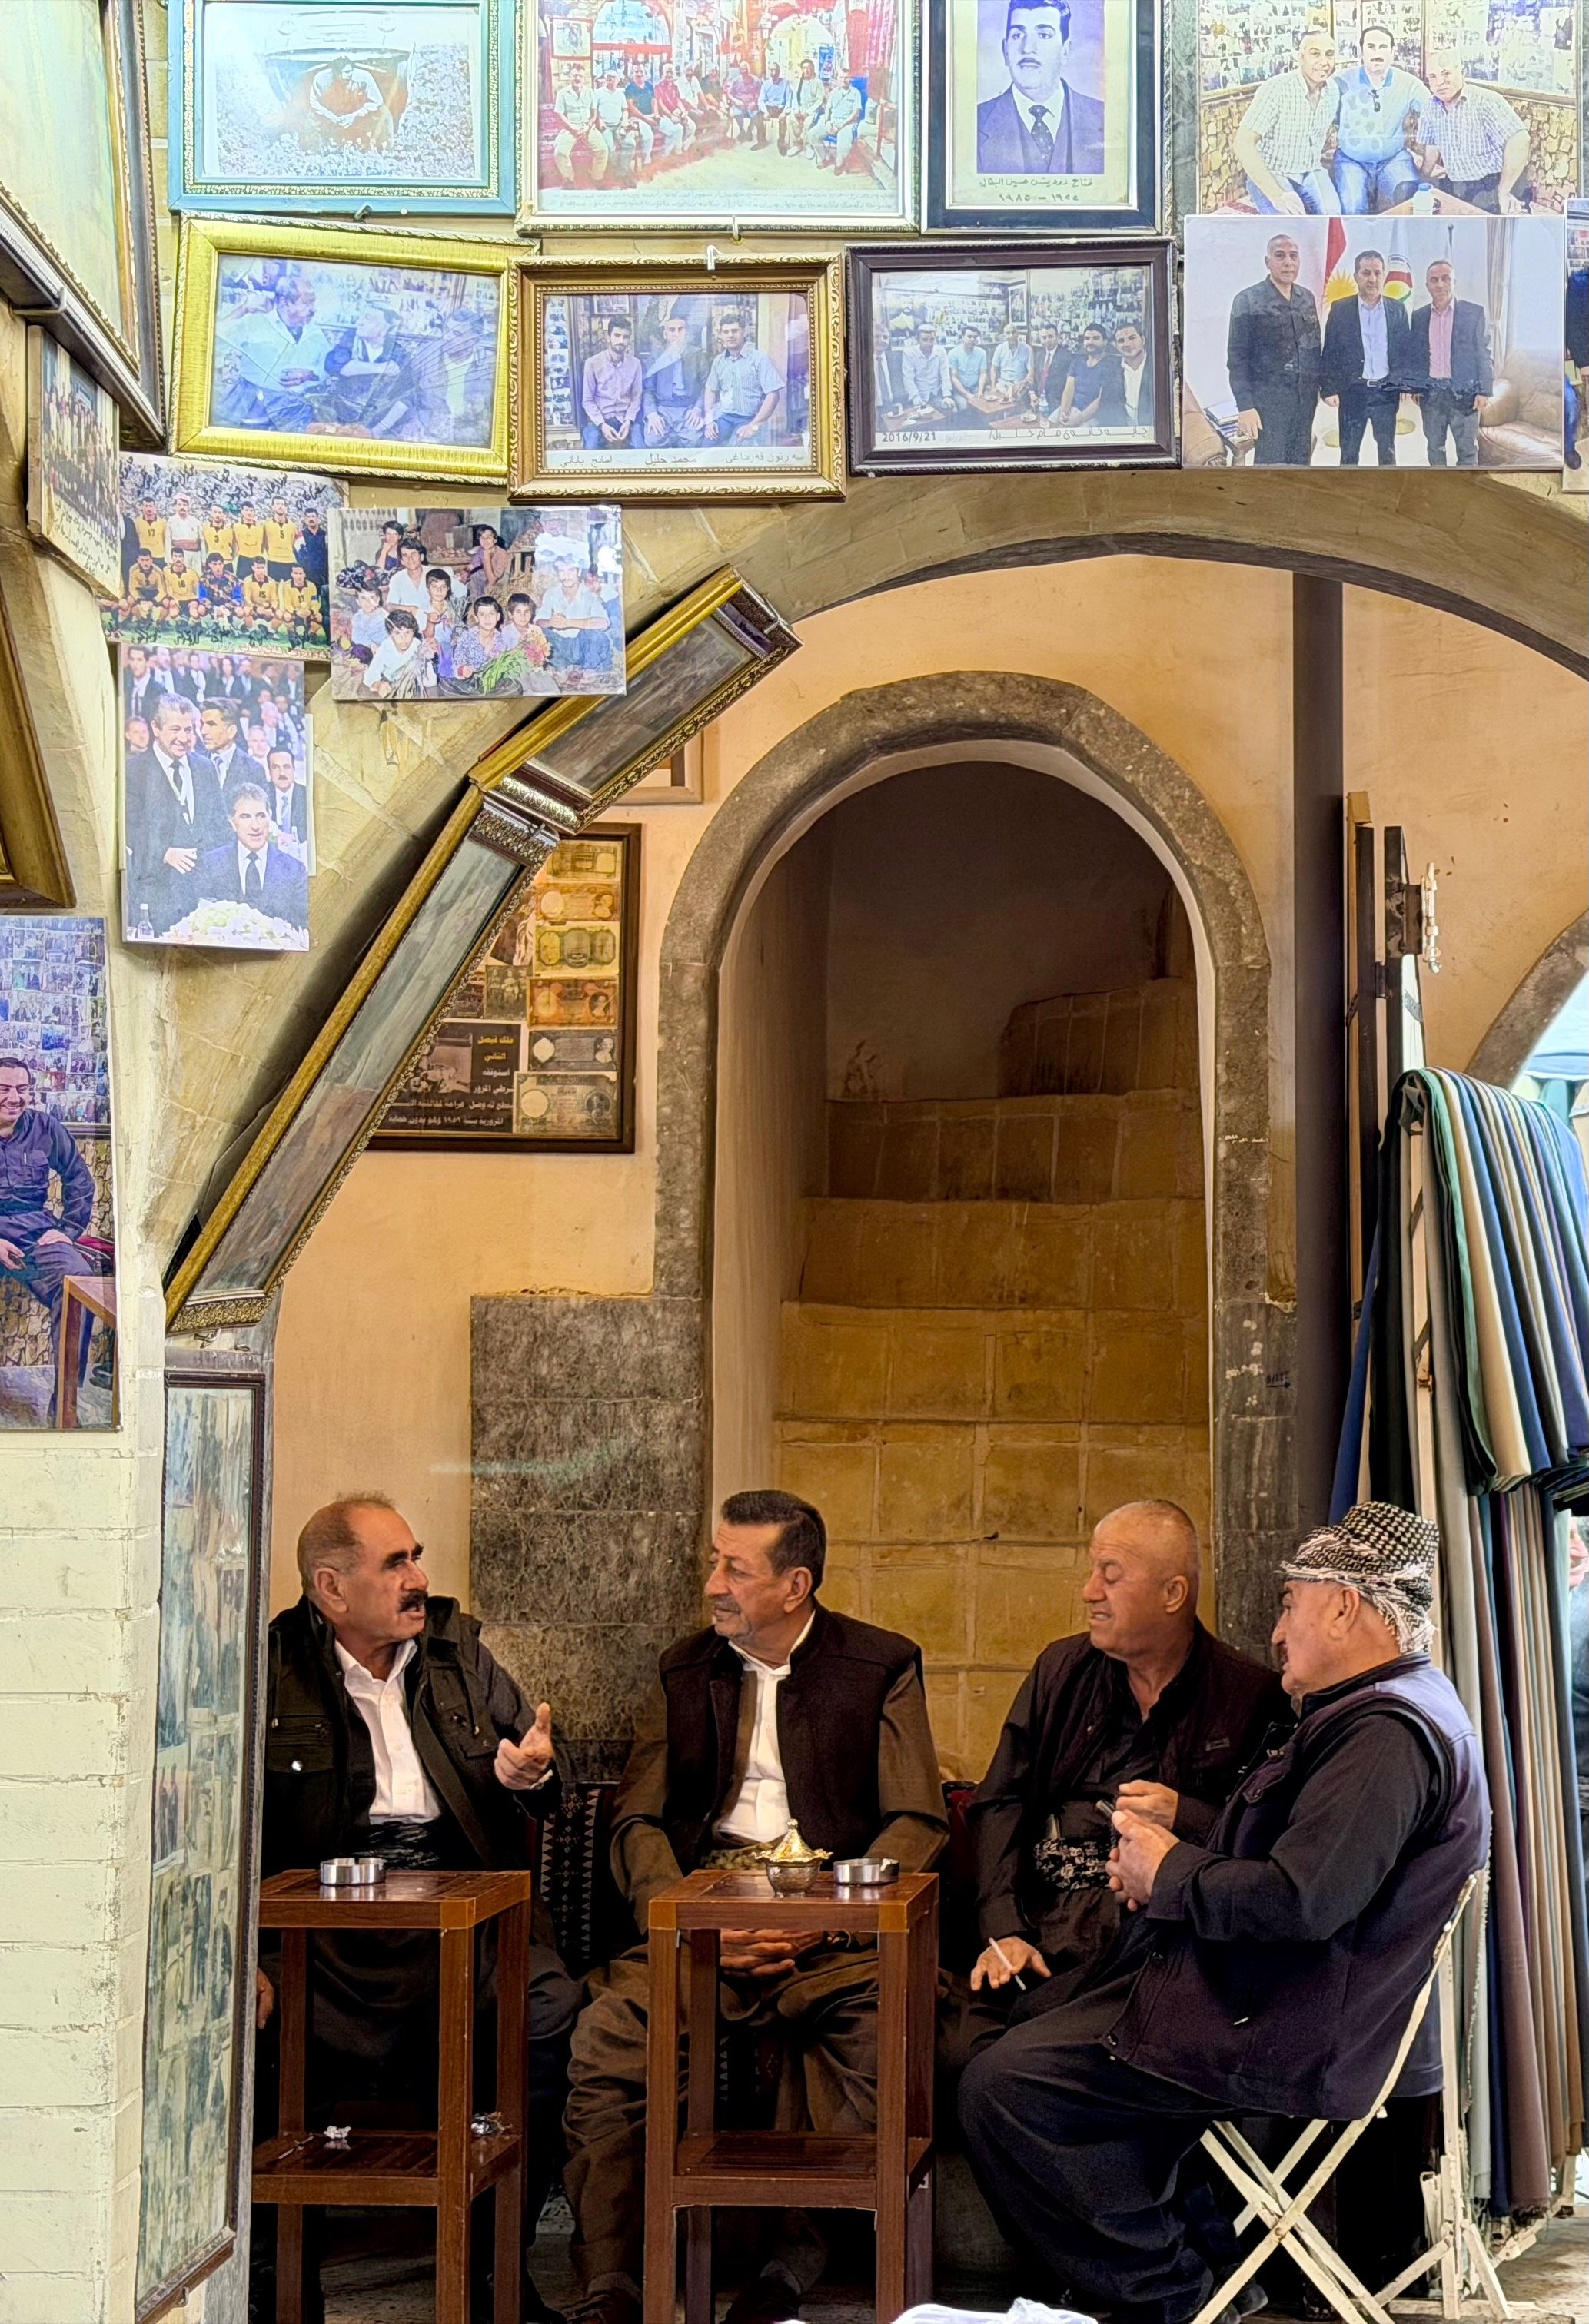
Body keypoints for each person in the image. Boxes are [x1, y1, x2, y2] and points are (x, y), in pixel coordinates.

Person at [959, 1502, 1491, 2324]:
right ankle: (1204, 2259)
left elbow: (1301, 1898)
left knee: (1006, 2084)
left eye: (1290, 1603)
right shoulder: (1382, 1713)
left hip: (1286, 2024)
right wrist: (1189, 1840)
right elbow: (1303, 1861)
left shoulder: (1385, 1737)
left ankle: (1170, 2295)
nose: (1277, 1632)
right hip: (1262, 1992)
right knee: (1024, 2022)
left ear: (1345, 1606)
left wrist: (1170, 1871)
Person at [560, 1490, 948, 2324]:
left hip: (840, 1934)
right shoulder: (683, 1668)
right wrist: (692, 1924)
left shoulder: (881, 1664)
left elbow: (916, 1821)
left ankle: (788, 2274)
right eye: (715, 1561)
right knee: (611, 2038)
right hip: (705, 1924)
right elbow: (638, 1817)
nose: (713, 1584)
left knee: (876, 2036)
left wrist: (828, 1920)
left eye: (735, 1568)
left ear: (795, 1584)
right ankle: (612, 2282)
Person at [255, 1494, 580, 2324]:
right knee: (246, 2030)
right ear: (330, 1588)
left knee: (548, 2019)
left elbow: (544, 1765)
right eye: (394, 1564)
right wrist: (242, 1962)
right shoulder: (269, 1668)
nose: (418, 1579)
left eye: (416, 1557)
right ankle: (278, 2292)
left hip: (462, 1920)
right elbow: (219, 1831)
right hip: (321, 1940)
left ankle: (490, 2273)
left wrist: (531, 1772)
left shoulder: (458, 1653)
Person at [946, 1502, 1284, 2074]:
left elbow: (1268, 1842)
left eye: (1110, 1574)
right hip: (1037, 1937)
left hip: (1154, 1956)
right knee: (954, 2053)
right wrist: (1002, 1928)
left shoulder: (1248, 1696)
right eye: (1090, 1571)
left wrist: (1189, 1814)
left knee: (1028, 2069)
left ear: (1172, 1594)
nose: (1088, 1592)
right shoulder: (1061, 1671)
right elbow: (1000, 1800)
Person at [0, 1056, 111, 1397]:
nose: (13, 1098)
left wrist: (67, 1230)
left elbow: (79, 1179)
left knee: (77, 1282)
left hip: (36, 1233)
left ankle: (65, 1403)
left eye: (22, 1089)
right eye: (4, 1089)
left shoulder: (45, 1128)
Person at [123, 692, 224, 935]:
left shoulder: (205, 768)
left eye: (189, 730)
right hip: (157, 895)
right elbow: (128, 830)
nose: (183, 738)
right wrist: (164, 853)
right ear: (156, 728)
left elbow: (220, 825)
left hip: (201, 895)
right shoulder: (134, 771)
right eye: (175, 730)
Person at [1226, 231, 1323, 465]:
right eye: (1280, 256)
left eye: (1293, 256)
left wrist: (1321, 388)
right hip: (1268, 403)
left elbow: (1314, 347)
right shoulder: (1247, 301)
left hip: (1305, 399)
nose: (1288, 262)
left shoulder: (1306, 297)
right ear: (1267, 262)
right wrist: (1246, 406)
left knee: (1300, 462)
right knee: (1271, 466)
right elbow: (1237, 359)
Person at [976, 0, 1105, 174]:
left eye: (1044, 35)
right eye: (1018, 35)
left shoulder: (1105, 118)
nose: (1028, 48)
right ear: (1005, 51)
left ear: (1065, 51)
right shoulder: (972, 124)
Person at [1321, 247, 1413, 466]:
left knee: (1387, 451)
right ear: (1356, 276)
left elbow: (1403, 350)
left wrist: (1403, 384)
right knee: (1349, 452)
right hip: (1353, 392)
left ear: (1384, 275)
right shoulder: (1340, 309)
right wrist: (1329, 389)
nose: (1372, 279)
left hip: (1385, 393)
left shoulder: (1397, 309)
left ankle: (1388, 495)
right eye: (1366, 273)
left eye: (1377, 273)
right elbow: (1330, 351)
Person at [1233, 29, 1342, 214]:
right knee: (1289, 225)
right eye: (1315, 54)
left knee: (1333, 218)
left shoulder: (1333, 91)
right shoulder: (1276, 88)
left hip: (1311, 170)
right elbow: (1242, 143)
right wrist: (1277, 195)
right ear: (1300, 57)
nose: (1324, 62)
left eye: (1329, 55)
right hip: (1274, 172)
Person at [215, 272, 332, 431]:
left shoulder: (315, 334)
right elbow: (213, 339)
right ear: (285, 302)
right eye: (306, 303)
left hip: (293, 412)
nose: (313, 310)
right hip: (249, 404)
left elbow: (327, 367)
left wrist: (310, 374)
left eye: (313, 303)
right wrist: (243, 309)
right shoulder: (255, 322)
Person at [1412, 55, 1530, 211]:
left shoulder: (1485, 100)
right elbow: (1432, 146)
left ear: (1462, 72)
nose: (1440, 82)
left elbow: (1520, 140)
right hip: (1458, 183)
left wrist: (1504, 191)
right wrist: (1423, 178)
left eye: (1446, 73)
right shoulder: (1430, 107)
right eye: (1433, 77)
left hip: (1495, 181)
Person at [1405, 257, 1492, 466]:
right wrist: (1416, 386)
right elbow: (1416, 355)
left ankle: (1467, 492)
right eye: (1434, 280)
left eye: (1446, 279)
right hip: (1432, 395)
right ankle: (1440, 491)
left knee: (1467, 450)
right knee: (1435, 447)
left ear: (1455, 282)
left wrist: (1484, 390)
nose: (1440, 284)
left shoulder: (1474, 313)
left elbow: (1484, 352)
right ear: (1427, 286)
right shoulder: (1419, 316)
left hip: (1465, 394)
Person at [1331, 27, 1426, 213]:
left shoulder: (1409, 83)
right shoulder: (1340, 81)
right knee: (1352, 204)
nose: (1377, 53)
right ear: (1361, 52)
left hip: (1393, 158)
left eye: (1383, 47)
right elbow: (1321, 116)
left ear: (1392, 52)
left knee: (1409, 197)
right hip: (1351, 160)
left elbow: (1434, 112)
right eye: (1371, 47)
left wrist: (1428, 155)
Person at [194, 782, 310, 933]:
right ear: (232, 823)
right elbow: (202, 922)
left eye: (261, 816)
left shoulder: (295, 871)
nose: (255, 826)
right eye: (245, 817)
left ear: (270, 817)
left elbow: (302, 930)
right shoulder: (211, 864)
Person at [321, 302, 417, 437]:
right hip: (339, 415)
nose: (359, 322)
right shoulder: (351, 339)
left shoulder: (399, 353)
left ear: (385, 328)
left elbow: (405, 399)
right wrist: (380, 368)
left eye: (369, 319)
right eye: (361, 317)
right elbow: (339, 367)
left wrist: (375, 432)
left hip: (376, 424)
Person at [703, 313, 783, 445]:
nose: (730, 335)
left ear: (744, 332)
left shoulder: (760, 359)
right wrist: (710, 421)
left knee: (738, 450)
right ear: (721, 335)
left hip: (752, 419)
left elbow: (773, 395)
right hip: (725, 419)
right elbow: (710, 390)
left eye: (735, 331)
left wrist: (753, 425)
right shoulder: (718, 361)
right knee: (705, 446)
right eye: (726, 332)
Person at [304, 54, 396, 151]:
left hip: (358, 114)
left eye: (347, 72)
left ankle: (386, 150)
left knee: (384, 112)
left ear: (353, 70)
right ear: (333, 71)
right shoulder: (321, 79)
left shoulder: (364, 77)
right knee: (311, 118)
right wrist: (330, 116)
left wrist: (355, 115)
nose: (343, 76)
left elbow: (377, 101)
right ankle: (315, 153)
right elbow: (314, 101)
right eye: (339, 73)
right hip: (332, 114)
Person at [641, 314, 707, 445]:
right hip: (663, 409)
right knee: (652, 439)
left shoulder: (698, 355)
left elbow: (707, 387)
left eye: (680, 329)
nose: (676, 334)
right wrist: (652, 414)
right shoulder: (656, 356)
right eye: (672, 330)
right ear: (665, 334)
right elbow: (648, 390)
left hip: (689, 408)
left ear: (686, 333)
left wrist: (698, 409)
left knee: (694, 441)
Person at [197, 698, 267, 818]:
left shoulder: (253, 770)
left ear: (231, 731)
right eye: (202, 724)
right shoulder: (194, 764)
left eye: (211, 725)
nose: (203, 731)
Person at [582, 316, 644, 450]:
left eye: (625, 337)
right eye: (617, 335)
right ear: (608, 336)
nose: (621, 341)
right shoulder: (592, 363)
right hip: (599, 421)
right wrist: (602, 425)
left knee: (641, 448)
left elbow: (636, 397)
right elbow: (587, 401)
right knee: (591, 449)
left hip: (625, 420)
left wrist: (628, 421)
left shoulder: (635, 364)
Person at [1057, 322, 1125, 427]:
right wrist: (1064, 412)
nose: (1090, 342)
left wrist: (1079, 419)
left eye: (1096, 338)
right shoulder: (1077, 361)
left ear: (1105, 341)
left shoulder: (1112, 364)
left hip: (1093, 417)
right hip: (1072, 409)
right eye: (1087, 338)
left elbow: (1102, 399)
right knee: (1049, 426)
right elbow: (1068, 389)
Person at [553, 67, 611, 182]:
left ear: (584, 78)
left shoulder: (590, 92)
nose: (578, 78)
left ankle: (596, 176)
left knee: (603, 150)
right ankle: (569, 178)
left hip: (588, 128)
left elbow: (594, 113)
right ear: (570, 77)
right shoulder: (562, 93)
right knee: (560, 153)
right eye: (575, 75)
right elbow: (560, 114)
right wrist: (572, 127)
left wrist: (588, 126)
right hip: (570, 129)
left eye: (581, 76)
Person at [362, 607, 425, 698]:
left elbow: (428, 680)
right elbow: (369, 676)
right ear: (390, 633)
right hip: (390, 686)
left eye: (407, 633)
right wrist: (378, 685)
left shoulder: (418, 646)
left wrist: (428, 658)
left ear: (414, 633)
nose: (403, 638)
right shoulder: (386, 647)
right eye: (397, 633)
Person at [899, 324, 956, 422]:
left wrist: (947, 395)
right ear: (918, 340)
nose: (929, 343)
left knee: (953, 411)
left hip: (936, 394)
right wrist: (916, 400)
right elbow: (908, 379)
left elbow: (945, 375)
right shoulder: (909, 353)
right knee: (920, 421)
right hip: (918, 396)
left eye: (932, 340)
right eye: (925, 340)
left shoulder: (940, 351)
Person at [265, 745, 309, 854]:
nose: (282, 774)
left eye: (286, 767)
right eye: (275, 768)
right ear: (269, 772)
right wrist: (274, 838)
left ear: (294, 770)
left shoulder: (307, 795)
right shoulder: (261, 796)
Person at [1112, 318, 1151, 427]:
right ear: (1116, 346)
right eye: (1121, 341)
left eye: (1132, 338)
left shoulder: (1156, 366)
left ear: (1143, 340)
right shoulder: (1113, 371)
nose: (1127, 344)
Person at [988, 319, 1034, 407]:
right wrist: (993, 386)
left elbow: (1031, 372)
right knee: (995, 404)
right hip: (1003, 384)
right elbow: (993, 369)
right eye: (1008, 333)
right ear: (1004, 335)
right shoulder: (1000, 348)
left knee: (1015, 402)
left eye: (1014, 332)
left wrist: (1022, 383)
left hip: (1020, 385)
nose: (1011, 335)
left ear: (1018, 334)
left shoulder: (1027, 349)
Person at [758, 60, 793, 152]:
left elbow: (789, 100)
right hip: (769, 108)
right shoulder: (765, 84)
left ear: (779, 72)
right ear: (769, 71)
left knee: (783, 120)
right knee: (758, 116)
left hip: (780, 108)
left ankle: (781, 141)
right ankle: (761, 140)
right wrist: (765, 111)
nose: (773, 73)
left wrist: (785, 112)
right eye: (771, 70)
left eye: (776, 70)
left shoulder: (786, 83)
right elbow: (761, 100)